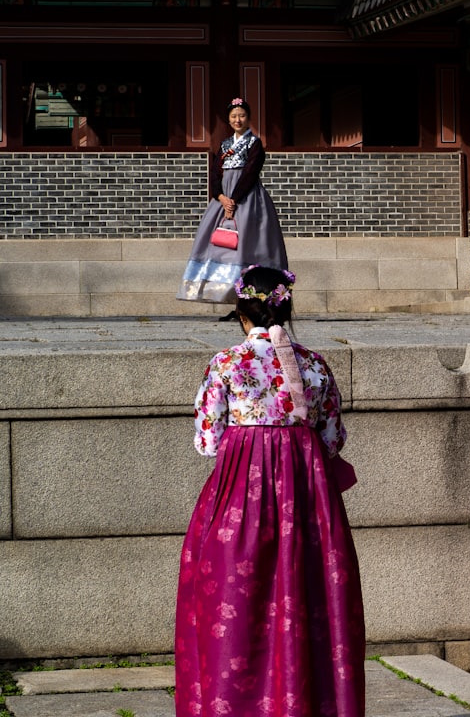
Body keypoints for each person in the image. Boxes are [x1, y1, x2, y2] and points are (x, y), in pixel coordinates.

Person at [174, 266, 365, 717]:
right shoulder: (316, 363)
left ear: (242, 314)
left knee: (234, 600)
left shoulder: (227, 364)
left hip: (240, 495)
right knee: (310, 597)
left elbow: (206, 442)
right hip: (308, 499)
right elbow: (333, 438)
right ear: (288, 307)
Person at [177, 98, 288, 304]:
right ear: (229, 120)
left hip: (247, 199)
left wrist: (233, 201)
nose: (238, 120)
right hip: (223, 199)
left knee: (248, 244)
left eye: (242, 116)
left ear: (248, 119)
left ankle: (250, 296)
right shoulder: (225, 144)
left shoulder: (254, 143)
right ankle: (224, 294)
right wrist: (220, 197)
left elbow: (250, 173)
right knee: (218, 245)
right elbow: (215, 174)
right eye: (234, 116)